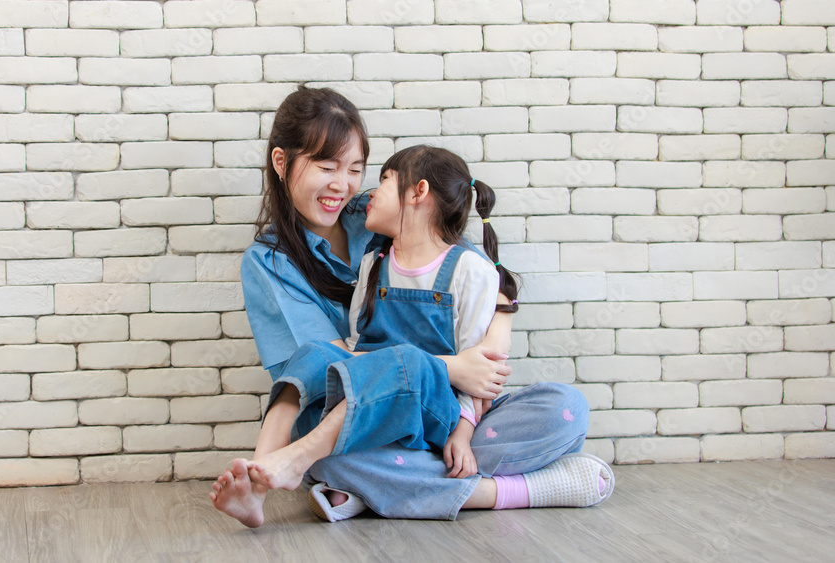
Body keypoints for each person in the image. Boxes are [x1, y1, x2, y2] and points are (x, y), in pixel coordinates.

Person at [210, 86, 613, 528]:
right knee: (318, 428)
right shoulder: (269, 262)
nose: (343, 186)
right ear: (282, 163)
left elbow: (480, 276)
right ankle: (518, 490)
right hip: (355, 416)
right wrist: (451, 367)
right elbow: (326, 365)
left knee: (564, 409)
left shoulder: (379, 212)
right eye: (326, 167)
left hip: (440, 411)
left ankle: (374, 486)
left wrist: (489, 353)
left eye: (357, 170)